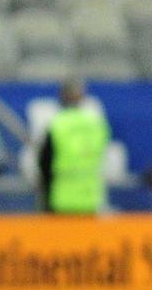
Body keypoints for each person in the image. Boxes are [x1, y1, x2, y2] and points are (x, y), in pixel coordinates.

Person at [37, 79, 111, 215]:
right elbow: (101, 155)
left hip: (62, 197)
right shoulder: (97, 125)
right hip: (90, 196)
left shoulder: (58, 124)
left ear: (62, 97)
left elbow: (45, 161)